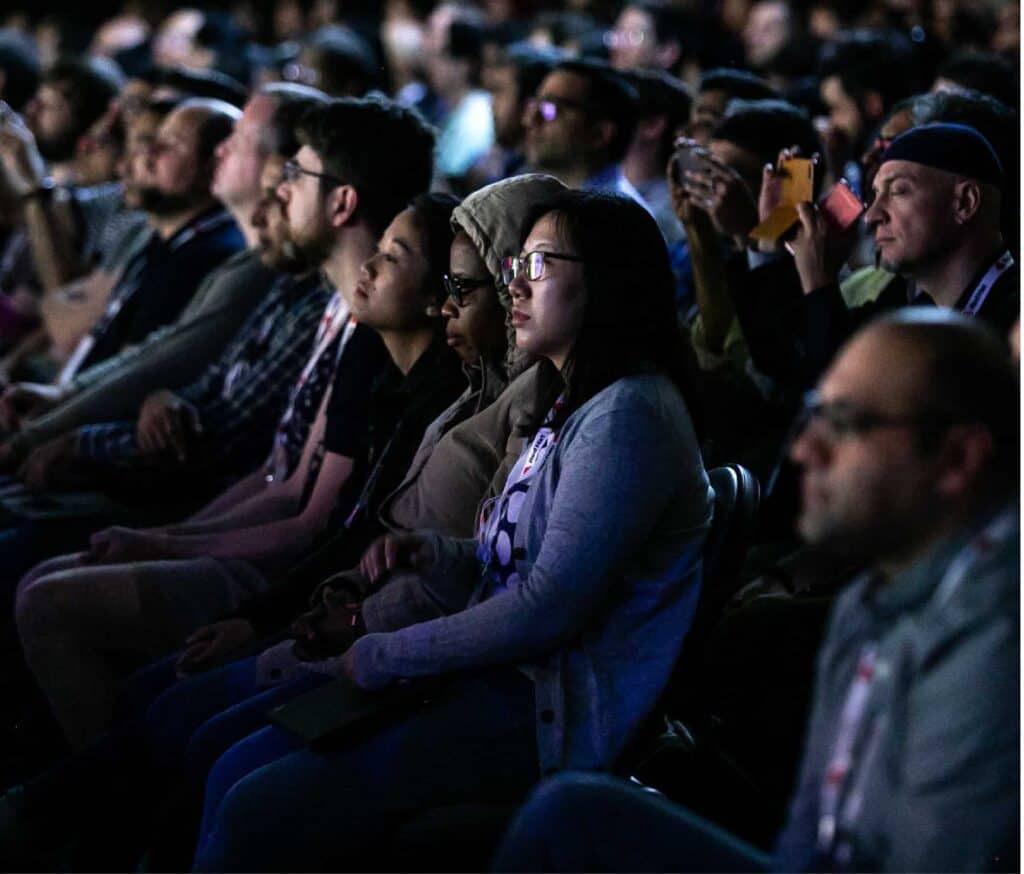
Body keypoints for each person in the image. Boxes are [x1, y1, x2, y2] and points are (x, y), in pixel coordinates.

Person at [188, 189, 712, 871]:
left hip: (536, 715)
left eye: (539, 265)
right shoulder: (574, 400)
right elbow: (522, 562)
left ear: (607, 281)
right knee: (232, 758)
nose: (514, 285)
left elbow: (546, 609)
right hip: (491, 685)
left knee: (255, 801)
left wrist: (386, 653)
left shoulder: (627, 417)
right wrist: (437, 553)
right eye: (513, 265)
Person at [493, 308, 1019, 873]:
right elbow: (808, 837)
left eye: (845, 423)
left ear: (958, 458)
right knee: (572, 812)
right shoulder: (872, 594)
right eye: (815, 415)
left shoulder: (996, 637)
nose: (804, 451)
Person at [14, 95, 442, 749]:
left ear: (341, 202)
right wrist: (166, 535)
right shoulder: (334, 310)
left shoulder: (369, 332)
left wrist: (164, 541)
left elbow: (307, 517)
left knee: (46, 599)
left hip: (281, 575)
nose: (277, 195)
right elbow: (278, 473)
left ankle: (100, 811)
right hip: (252, 542)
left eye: (293, 178)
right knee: (42, 582)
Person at [523, 58, 646, 205]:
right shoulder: (547, 201)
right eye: (534, 105)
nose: (529, 121)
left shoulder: (617, 219)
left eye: (550, 109)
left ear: (600, 133)